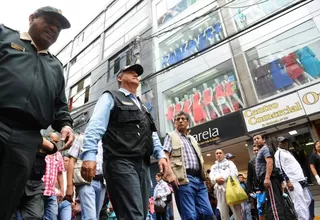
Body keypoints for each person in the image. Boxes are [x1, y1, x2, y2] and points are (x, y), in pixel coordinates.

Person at [0, 6, 74, 220]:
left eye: (59, 27)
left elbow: (60, 106)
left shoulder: (56, 67)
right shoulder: (5, 36)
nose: (54, 28)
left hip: (27, 140)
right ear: (32, 18)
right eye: (49, 21)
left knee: (6, 201)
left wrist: (66, 125)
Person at [79, 64, 167, 220]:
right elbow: (95, 126)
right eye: (130, 72)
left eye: (137, 73)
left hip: (143, 165)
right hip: (120, 162)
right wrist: (89, 156)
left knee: (141, 214)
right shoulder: (110, 97)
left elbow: (151, 134)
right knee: (133, 216)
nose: (135, 74)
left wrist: (160, 155)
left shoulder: (143, 107)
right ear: (120, 78)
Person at [164, 111, 213, 219]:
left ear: (187, 122)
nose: (180, 121)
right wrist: (170, 174)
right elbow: (165, 156)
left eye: (183, 119)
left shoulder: (192, 139)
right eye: (177, 119)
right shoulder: (171, 136)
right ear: (174, 123)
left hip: (199, 180)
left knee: (207, 213)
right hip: (184, 179)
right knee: (190, 216)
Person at [274, 137, 311, 220]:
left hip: (300, 178)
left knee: (308, 200)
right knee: (299, 202)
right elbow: (280, 168)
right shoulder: (278, 153)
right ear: (278, 143)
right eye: (282, 142)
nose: (285, 143)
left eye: (286, 141)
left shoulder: (288, 152)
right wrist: (287, 181)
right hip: (292, 180)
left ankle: (305, 217)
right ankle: (303, 218)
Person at [253, 134, 289, 219]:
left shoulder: (265, 148)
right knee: (273, 203)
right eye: (254, 139)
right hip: (268, 180)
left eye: (258, 138)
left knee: (274, 204)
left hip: (270, 180)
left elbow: (270, 162)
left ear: (264, 140)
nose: (256, 140)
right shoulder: (262, 150)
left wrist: (267, 178)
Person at [210, 149, 242, 220]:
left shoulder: (229, 163)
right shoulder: (213, 167)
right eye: (217, 153)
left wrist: (224, 178)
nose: (218, 154)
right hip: (220, 191)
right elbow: (211, 177)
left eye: (220, 153)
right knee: (223, 213)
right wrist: (216, 179)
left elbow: (234, 173)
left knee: (236, 211)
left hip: (231, 189)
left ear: (224, 155)